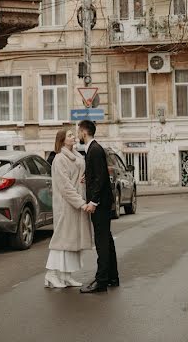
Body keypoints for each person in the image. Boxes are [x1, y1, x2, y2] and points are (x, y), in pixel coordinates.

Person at [44, 129, 93, 289]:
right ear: (63, 140)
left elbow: (77, 177)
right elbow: (65, 186)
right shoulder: (59, 159)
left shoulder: (77, 157)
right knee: (61, 241)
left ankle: (66, 275)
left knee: (72, 242)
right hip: (66, 206)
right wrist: (81, 202)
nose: (73, 137)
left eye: (73, 134)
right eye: (70, 135)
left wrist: (84, 178)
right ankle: (51, 274)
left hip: (76, 205)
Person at [77, 119, 119, 293]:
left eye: (78, 131)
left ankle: (101, 281)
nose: (78, 134)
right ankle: (112, 277)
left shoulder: (94, 150)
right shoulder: (94, 149)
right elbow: (97, 174)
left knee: (101, 242)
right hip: (103, 202)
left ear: (84, 132)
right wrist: (88, 175)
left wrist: (93, 202)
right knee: (106, 240)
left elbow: (101, 178)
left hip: (100, 204)